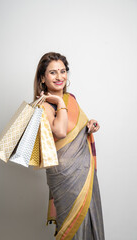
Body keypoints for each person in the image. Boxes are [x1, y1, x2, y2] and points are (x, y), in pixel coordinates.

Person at [34, 52, 105, 240]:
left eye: (62, 71)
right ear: (42, 77)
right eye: (52, 73)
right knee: (70, 225)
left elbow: (77, 128)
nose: (59, 77)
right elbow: (60, 132)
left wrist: (90, 125)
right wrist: (57, 100)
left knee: (89, 220)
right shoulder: (43, 107)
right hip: (65, 175)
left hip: (85, 170)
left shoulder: (70, 99)